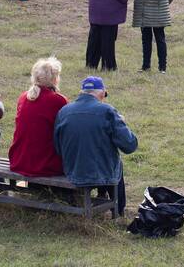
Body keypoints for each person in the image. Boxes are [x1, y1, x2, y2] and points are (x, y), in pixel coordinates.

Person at [54, 75, 138, 217]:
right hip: (102, 173)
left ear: (82, 93)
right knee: (115, 164)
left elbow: (57, 147)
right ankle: (118, 211)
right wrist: (122, 123)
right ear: (101, 93)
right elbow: (129, 145)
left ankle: (101, 198)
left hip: (72, 170)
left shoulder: (64, 111)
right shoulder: (107, 111)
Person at [11, 57, 68, 177]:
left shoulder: (23, 97)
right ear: (55, 79)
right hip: (44, 164)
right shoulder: (58, 100)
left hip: (19, 160)